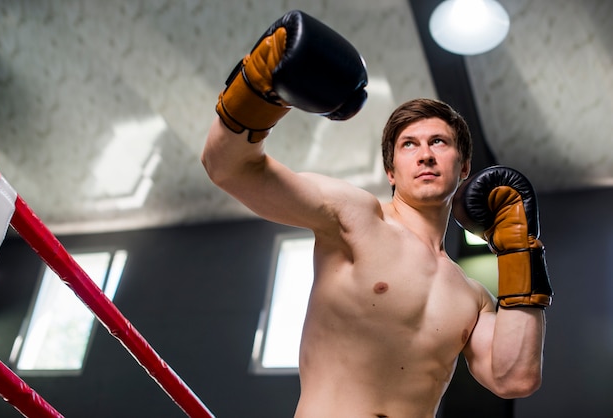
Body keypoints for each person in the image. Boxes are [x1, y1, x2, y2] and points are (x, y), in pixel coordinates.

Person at [201, 10, 552, 418]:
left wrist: (519, 249)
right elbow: (228, 167)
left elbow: (514, 378)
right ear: (390, 170)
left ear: (464, 167)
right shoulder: (354, 217)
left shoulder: (472, 296)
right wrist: (258, 86)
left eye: (439, 142)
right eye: (408, 145)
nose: (424, 154)